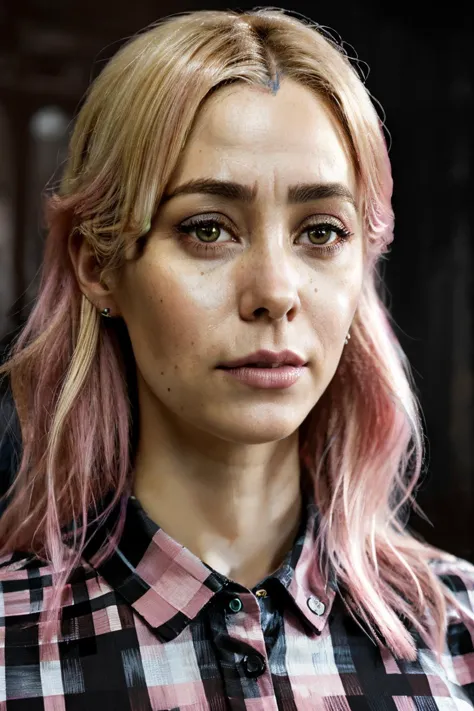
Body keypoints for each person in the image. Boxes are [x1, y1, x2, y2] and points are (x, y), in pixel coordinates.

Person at [0, 8, 473, 709]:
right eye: (208, 229)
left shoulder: (455, 631)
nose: (275, 292)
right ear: (98, 263)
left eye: (320, 230)